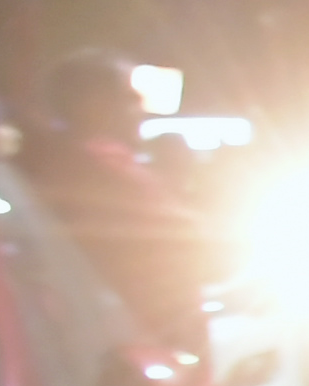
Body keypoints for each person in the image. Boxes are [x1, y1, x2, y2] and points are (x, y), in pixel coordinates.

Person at [18, 48, 215, 346]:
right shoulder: (98, 175)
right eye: (129, 96)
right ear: (91, 105)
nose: (140, 106)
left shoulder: (75, 167)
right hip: (134, 351)